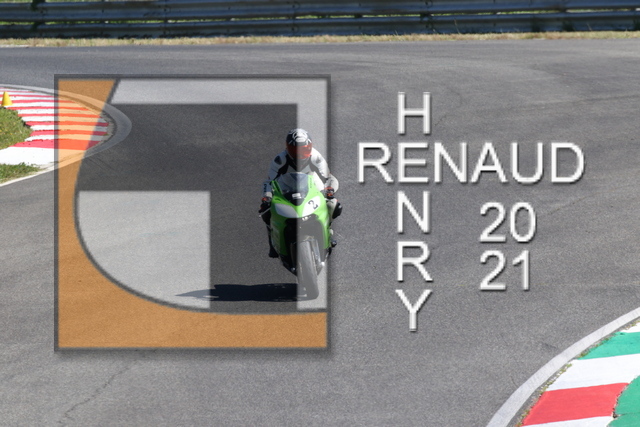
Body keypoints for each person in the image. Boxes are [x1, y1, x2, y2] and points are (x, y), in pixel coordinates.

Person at [260, 128, 341, 258]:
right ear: (288, 148)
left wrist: (329, 190)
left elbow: (329, 177)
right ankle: (273, 243)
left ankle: (327, 232)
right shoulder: (280, 160)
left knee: (332, 205)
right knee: (266, 211)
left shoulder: (316, 157)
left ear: (310, 147)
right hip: (287, 190)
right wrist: (267, 197)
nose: (300, 154)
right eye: (295, 150)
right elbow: (269, 182)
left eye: (304, 150)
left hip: (313, 189)